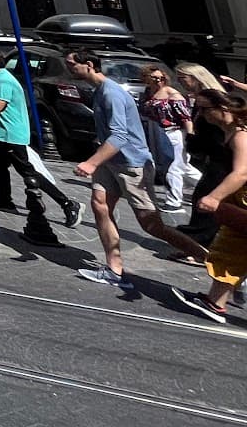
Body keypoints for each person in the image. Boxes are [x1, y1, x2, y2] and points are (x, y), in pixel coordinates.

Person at [67, 51, 209, 289]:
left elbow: (120, 136)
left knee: (151, 225)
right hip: (110, 161)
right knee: (99, 205)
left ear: (89, 65)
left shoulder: (111, 93)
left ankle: (214, 260)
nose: (69, 69)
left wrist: (91, 163)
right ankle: (115, 270)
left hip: (131, 164)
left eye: (71, 65)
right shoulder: (101, 90)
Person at [0, 51, 82, 233]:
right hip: (0, 133)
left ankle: (68, 203)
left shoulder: (3, 80)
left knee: (27, 171)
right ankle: (4, 200)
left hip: (11, 134)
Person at [171, 89, 247, 323]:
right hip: (239, 202)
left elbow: (242, 173)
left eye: (204, 109)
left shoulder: (241, 136)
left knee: (230, 248)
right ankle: (215, 303)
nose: (201, 114)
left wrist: (214, 197)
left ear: (223, 109)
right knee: (229, 249)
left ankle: (218, 301)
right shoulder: (229, 132)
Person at [175, 62, 230, 252]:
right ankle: (201, 243)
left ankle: (201, 244)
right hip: (212, 155)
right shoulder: (200, 100)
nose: (180, 82)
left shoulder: (213, 98)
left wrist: (191, 130)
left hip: (221, 156)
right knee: (203, 196)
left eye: (183, 78)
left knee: (206, 197)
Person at [139, 65, 197, 210]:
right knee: (185, 167)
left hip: (172, 133)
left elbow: (186, 117)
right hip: (156, 131)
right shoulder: (148, 92)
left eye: (161, 78)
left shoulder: (172, 94)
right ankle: (212, 187)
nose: (158, 81)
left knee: (172, 166)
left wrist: (190, 136)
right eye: (154, 78)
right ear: (146, 78)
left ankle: (174, 202)